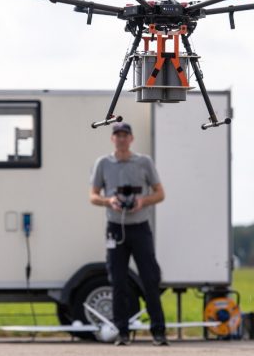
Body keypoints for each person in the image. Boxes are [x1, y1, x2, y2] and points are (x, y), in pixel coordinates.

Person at [89, 122, 169, 346]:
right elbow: (93, 195)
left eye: (125, 135)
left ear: (131, 139)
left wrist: (142, 201)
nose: (121, 139)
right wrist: (109, 201)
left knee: (150, 279)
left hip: (140, 227)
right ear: (112, 139)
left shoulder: (144, 162)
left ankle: (159, 332)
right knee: (118, 281)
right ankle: (122, 332)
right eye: (117, 135)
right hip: (116, 229)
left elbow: (160, 193)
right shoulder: (103, 164)